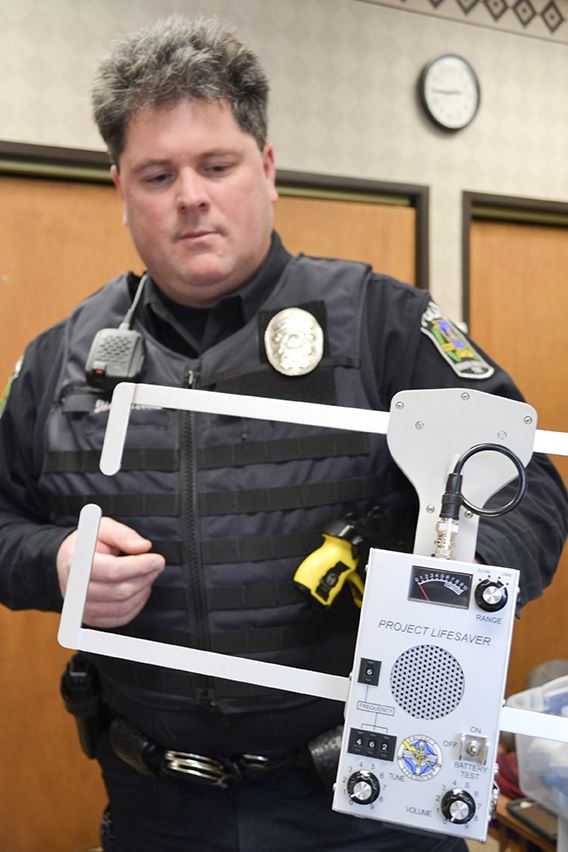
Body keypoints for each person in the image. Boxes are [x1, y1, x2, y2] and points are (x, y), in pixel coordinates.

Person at [0, 15, 566, 852]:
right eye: (158, 174)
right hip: (161, 809)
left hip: (368, 806)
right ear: (121, 188)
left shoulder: (384, 326)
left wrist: (454, 583)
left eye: (217, 165)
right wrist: (53, 563)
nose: (190, 195)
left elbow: (530, 491)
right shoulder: (60, 361)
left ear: (266, 170)